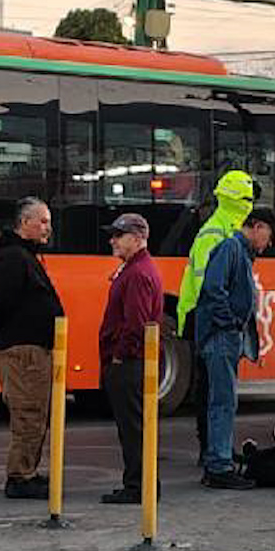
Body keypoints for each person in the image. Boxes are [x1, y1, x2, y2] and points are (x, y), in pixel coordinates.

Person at [0, 197, 65, 500]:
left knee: (35, 412)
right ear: (24, 223)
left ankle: (27, 470)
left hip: (33, 347)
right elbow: (2, 301)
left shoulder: (23, 256)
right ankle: (20, 476)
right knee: (29, 413)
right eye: (42, 221)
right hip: (24, 350)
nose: (48, 227)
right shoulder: (14, 258)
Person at [194, 209, 275, 490]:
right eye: (269, 235)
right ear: (258, 226)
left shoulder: (236, 251)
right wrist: (229, 322)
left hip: (223, 335)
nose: (269, 243)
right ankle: (219, 465)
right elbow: (213, 289)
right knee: (223, 401)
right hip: (221, 337)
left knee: (222, 400)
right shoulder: (231, 248)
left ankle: (218, 461)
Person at [176, 170, 257, 463]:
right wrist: (227, 321)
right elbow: (211, 286)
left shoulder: (217, 227)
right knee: (214, 394)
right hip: (207, 319)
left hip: (201, 315)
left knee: (212, 391)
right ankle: (213, 452)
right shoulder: (220, 232)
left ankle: (214, 450)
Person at [97, 213, 162, 505]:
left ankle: (139, 486)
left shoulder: (137, 274)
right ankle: (140, 483)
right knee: (136, 427)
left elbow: (136, 324)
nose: (112, 240)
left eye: (118, 235)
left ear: (136, 239)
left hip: (130, 363)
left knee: (133, 428)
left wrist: (120, 357)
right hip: (133, 361)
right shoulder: (135, 269)